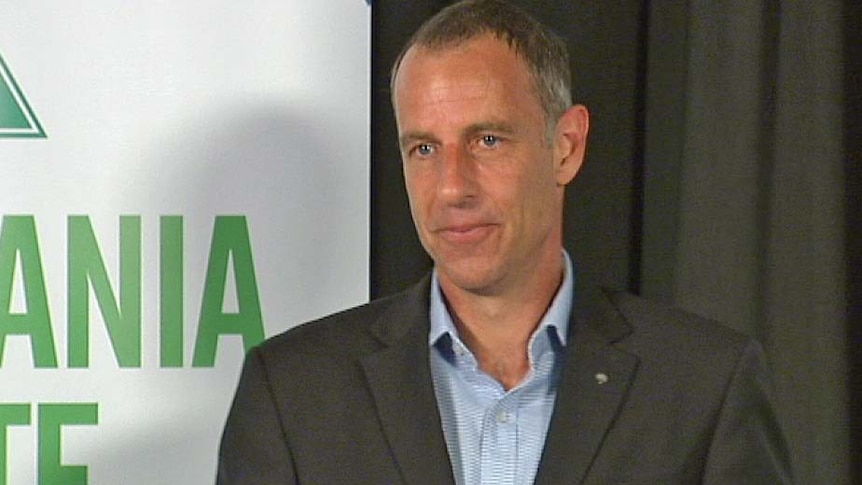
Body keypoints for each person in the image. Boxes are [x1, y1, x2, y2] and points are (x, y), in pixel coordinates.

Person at [216, 0, 793, 483]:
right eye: (423, 149)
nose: (451, 187)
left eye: (487, 140)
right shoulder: (294, 395)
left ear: (566, 146)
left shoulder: (704, 387)